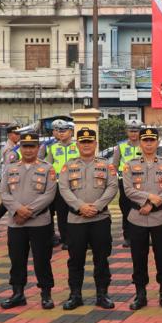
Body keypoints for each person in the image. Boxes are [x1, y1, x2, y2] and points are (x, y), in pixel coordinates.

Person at [59, 127, 118, 310]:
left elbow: (112, 187)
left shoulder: (106, 165)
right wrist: (80, 206)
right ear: (77, 144)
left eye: (89, 142)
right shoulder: (68, 166)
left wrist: (97, 206)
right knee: (75, 260)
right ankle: (75, 295)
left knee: (101, 259)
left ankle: (102, 294)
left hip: (100, 219)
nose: (86, 145)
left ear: (95, 144)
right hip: (76, 220)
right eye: (83, 142)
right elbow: (64, 189)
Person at [0, 132, 57, 309]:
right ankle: (18, 293)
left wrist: (27, 212)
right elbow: (4, 193)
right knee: (17, 259)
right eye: (25, 146)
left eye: (32, 146)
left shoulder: (47, 168)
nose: (29, 150)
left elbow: (49, 194)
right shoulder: (10, 168)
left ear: (38, 148)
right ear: (20, 148)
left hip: (39, 222)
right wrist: (18, 210)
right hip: (15, 222)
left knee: (42, 259)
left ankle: (46, 294)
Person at [123, 126, 162, 310]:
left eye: (152, 140)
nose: (148, 144)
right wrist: (148, 198)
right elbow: (128, 190)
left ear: (157, 142)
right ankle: (140, 294)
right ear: (140, 142)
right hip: (137, 217)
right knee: (138, 257)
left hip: (159, 217)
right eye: (145, 140)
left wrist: (152, 204)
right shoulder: (130, 164)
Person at [44, 120, 79, 248]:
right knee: (61, 213)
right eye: (59, 131)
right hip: (59, 185)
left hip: (75, 184)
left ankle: (79, 238)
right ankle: (65, 240)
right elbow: (48, 166)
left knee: (76, 211)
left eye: (64, 131)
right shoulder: (53, 147)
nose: (61, 133)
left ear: (71, 132)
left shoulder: (78, 146)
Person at [113, 121, 142, 248]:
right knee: (126, 210)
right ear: (127, 132)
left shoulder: (144, 145)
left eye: (136, 131)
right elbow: (115, 164)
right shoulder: (120, 147)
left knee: (142, 209)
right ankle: (128, 237)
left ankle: (142, 236)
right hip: (124, 181)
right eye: (131, 131)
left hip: (142, 182)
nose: (133, 133)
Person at [0, 125, 22, 221]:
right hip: (11, 177)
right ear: (10, 135)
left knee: (11, 199)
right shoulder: (9, 148)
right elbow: (10, 165)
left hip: (14, 177)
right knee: (10, 199)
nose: (19, 135)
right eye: (16, 133)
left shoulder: (15, 146)